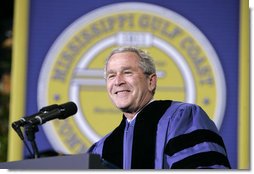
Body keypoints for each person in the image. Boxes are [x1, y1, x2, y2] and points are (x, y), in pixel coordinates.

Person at [87, 47, 231, 169]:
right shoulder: (102, 148)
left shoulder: (182, 119)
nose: (118, 81)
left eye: (127, 72)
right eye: (111, 76)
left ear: (151, 81)